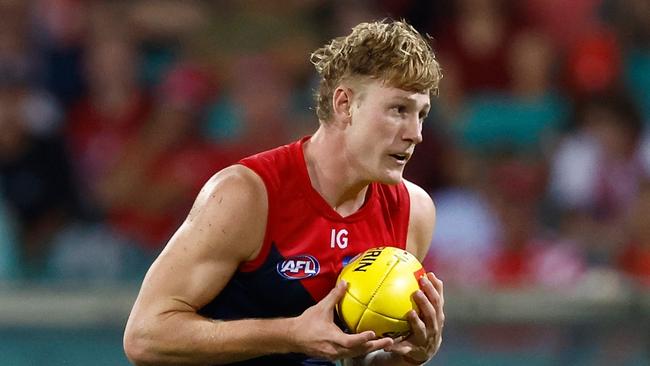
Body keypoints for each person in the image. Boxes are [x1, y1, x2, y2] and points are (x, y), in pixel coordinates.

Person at [123, 19, 444, 366]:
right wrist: (289, 334)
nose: (416, 134)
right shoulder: (246, 194)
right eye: (399, 110)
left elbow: (355, 359)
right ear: (344, 104)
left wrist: (409, 357)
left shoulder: (413, 212)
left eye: (421, 114)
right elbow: (145, 336)